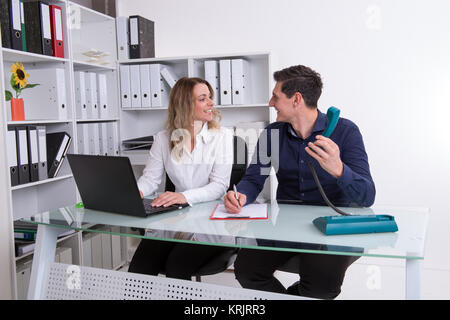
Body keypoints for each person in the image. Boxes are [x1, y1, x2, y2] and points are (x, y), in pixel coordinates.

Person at [224, 65, 376, 299]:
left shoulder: (346, 131)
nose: (270, 103)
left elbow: (367, 196)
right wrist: (242, 194)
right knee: (247, 269)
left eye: (276, 96)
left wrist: (339, 170)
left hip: (332, 228)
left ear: (296, 99)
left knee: (321, 287)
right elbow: (254, 179)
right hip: (286, 226)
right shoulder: (272, 134)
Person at [128, 77, 233, 280]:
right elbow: (150, 178)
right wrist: (135, 192)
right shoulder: (163, 138)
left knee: (177, 266)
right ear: (184, 104)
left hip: (211, 222)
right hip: (175, 219)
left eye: (209, 97)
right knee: (140, 268)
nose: (211, 103)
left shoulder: (223, 137)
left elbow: (219, 186)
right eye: (203, 99)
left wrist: (183, 196)